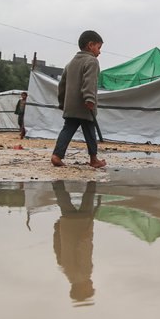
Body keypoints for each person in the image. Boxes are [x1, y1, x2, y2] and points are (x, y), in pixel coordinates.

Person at [51, 29, 106, 169]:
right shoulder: (92, 61)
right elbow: (89, 82)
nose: (99, 52)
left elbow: (61, 85)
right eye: (98, 48)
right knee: (90, 132)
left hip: (71, 106)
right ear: (90, 45)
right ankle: (94, 159)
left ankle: (57, 155)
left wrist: (62, 103)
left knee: (67, 130)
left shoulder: (70, 63)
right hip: (85, 106)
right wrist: (89, 99)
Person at [52, 180, 99, 304]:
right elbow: (57, 249)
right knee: (63, 199)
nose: (92, 286)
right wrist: (57, 230)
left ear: (82, 290)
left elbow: (84, 253)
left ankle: (92, 178)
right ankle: (56, 181)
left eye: (90, 289)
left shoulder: (84, 274)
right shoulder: (67, 272)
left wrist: (86, 237)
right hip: (67, 227)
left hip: (82, 226)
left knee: (89, 195)